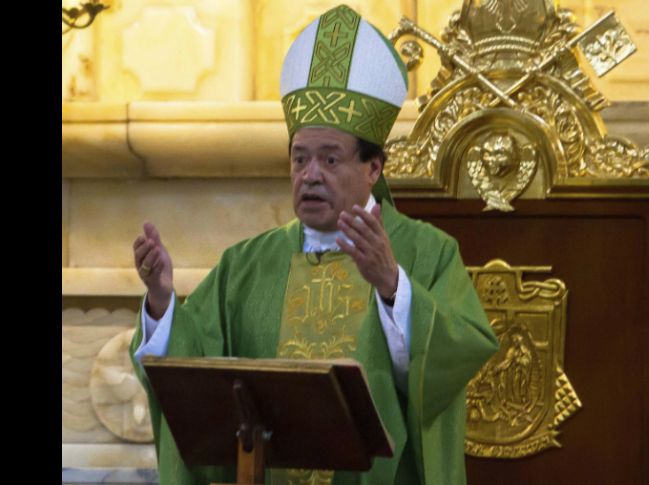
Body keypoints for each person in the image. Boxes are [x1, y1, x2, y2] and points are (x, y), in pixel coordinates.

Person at [129, 5, 499, 485]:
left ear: (373, 169)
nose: (310, 176)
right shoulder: (245, 265)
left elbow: (449, 372)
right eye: (299, 159)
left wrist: (393, 289)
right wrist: (161, 301)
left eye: (330, 159)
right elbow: (191, 378)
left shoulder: (427, 254)